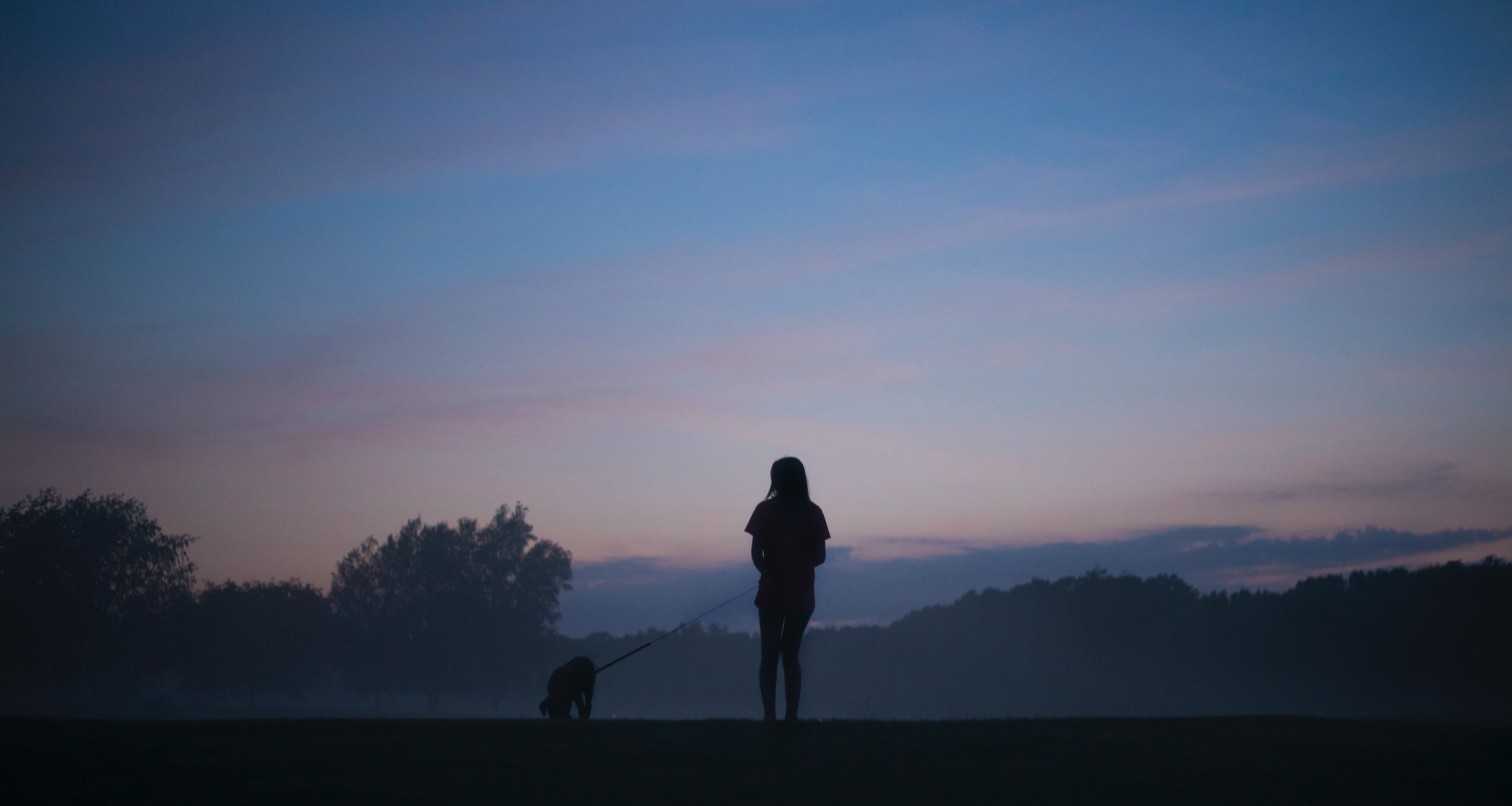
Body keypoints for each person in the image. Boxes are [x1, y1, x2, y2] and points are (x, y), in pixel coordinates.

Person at [745, 456, 830, 722]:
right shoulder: (812, 511)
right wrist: (793, 568)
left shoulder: (765, 510)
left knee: (770, 653)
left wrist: (772, 571)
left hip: (774, 591)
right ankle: (788, 716)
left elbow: (756, 554)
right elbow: (820, 556)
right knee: (789, 654)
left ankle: (771, 716)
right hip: (800, 592)